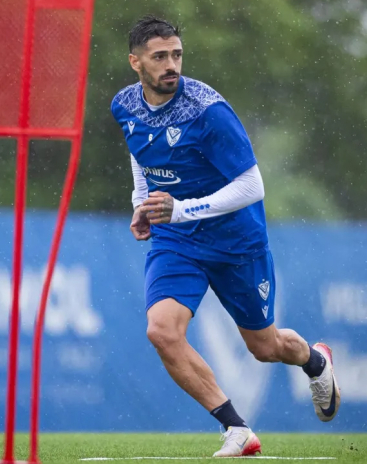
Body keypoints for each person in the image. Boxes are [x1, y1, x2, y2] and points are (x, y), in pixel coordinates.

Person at [110, 15, 341, 457]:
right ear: (135, 62)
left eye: (176, 55)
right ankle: (236, 428)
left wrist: (181, 209)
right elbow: (140, 151)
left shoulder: (207, 111)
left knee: (265, 347)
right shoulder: (124, 104)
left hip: (236, 241)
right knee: (162, 331)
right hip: (177, 240)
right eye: (159, 57)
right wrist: (141, 202)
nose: (171, 65)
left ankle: (315, 361)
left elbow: (253, 186)